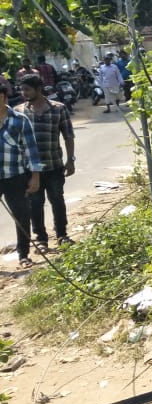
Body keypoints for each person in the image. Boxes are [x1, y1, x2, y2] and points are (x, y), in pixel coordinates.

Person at [16, 74, 74, 250]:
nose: (24, 93)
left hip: (54, 164)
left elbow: (68, 136)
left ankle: (62, 235)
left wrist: (70, 160)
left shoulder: (58, 109)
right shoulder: (19, 112)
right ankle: (41, 239)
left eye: (27, 89)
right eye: (22, 90)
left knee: (57, 200)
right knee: (35, 203)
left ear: (39, 89)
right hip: (30, 169)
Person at [0, 86, 42, 269]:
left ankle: (23, 254)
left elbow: (31, 151)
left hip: (15, 176)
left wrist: (35, 177)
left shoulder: (19, 120)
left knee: (22, 216)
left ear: (2, 97)